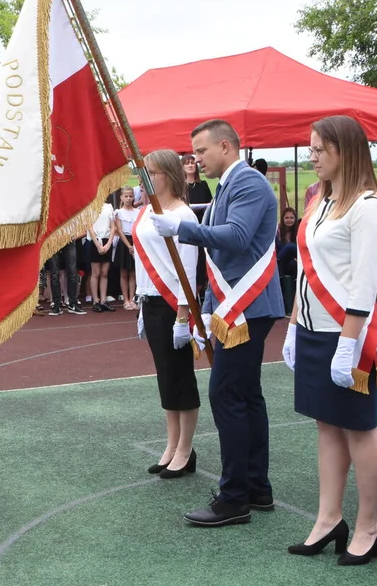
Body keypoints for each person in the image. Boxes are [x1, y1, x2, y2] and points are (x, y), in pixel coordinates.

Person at [151, 119, 284, 527]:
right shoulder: (229, 185)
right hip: (238, 307)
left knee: (226, 395)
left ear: (225, 146)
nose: (195, 161)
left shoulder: (247, 184)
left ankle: (234, 497)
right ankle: (255, 487)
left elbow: (237, 237)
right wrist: (207, 308)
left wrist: (184, 228)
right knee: (246, 396)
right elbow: (218, 261)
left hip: (249, 307)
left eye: (201, 152)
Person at [282, 115, 377, 565]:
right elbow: (306, 272)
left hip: (346, 335)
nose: (313, 156)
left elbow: (364, 283)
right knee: (326, 425)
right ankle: (328, 519)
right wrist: (292, 325)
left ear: (345, 150)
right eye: (311, 148)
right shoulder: (318, 201)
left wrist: (348, 345)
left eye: (319, 149)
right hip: (310, 329)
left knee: (359, 428)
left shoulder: (367, 206)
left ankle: (368, 524)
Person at [133, 150, 202, 479]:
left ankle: (186, 449)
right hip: (150, 299)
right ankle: (171, 444)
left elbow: (187, 269)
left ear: (169, 175)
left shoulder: (183, 215)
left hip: (173, 303)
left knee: (180, 377)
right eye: (143, 174)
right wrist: (141, 304)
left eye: (152, 173)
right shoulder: (147, 211)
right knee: (165, 376)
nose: (145, 180)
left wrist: (182, 316)